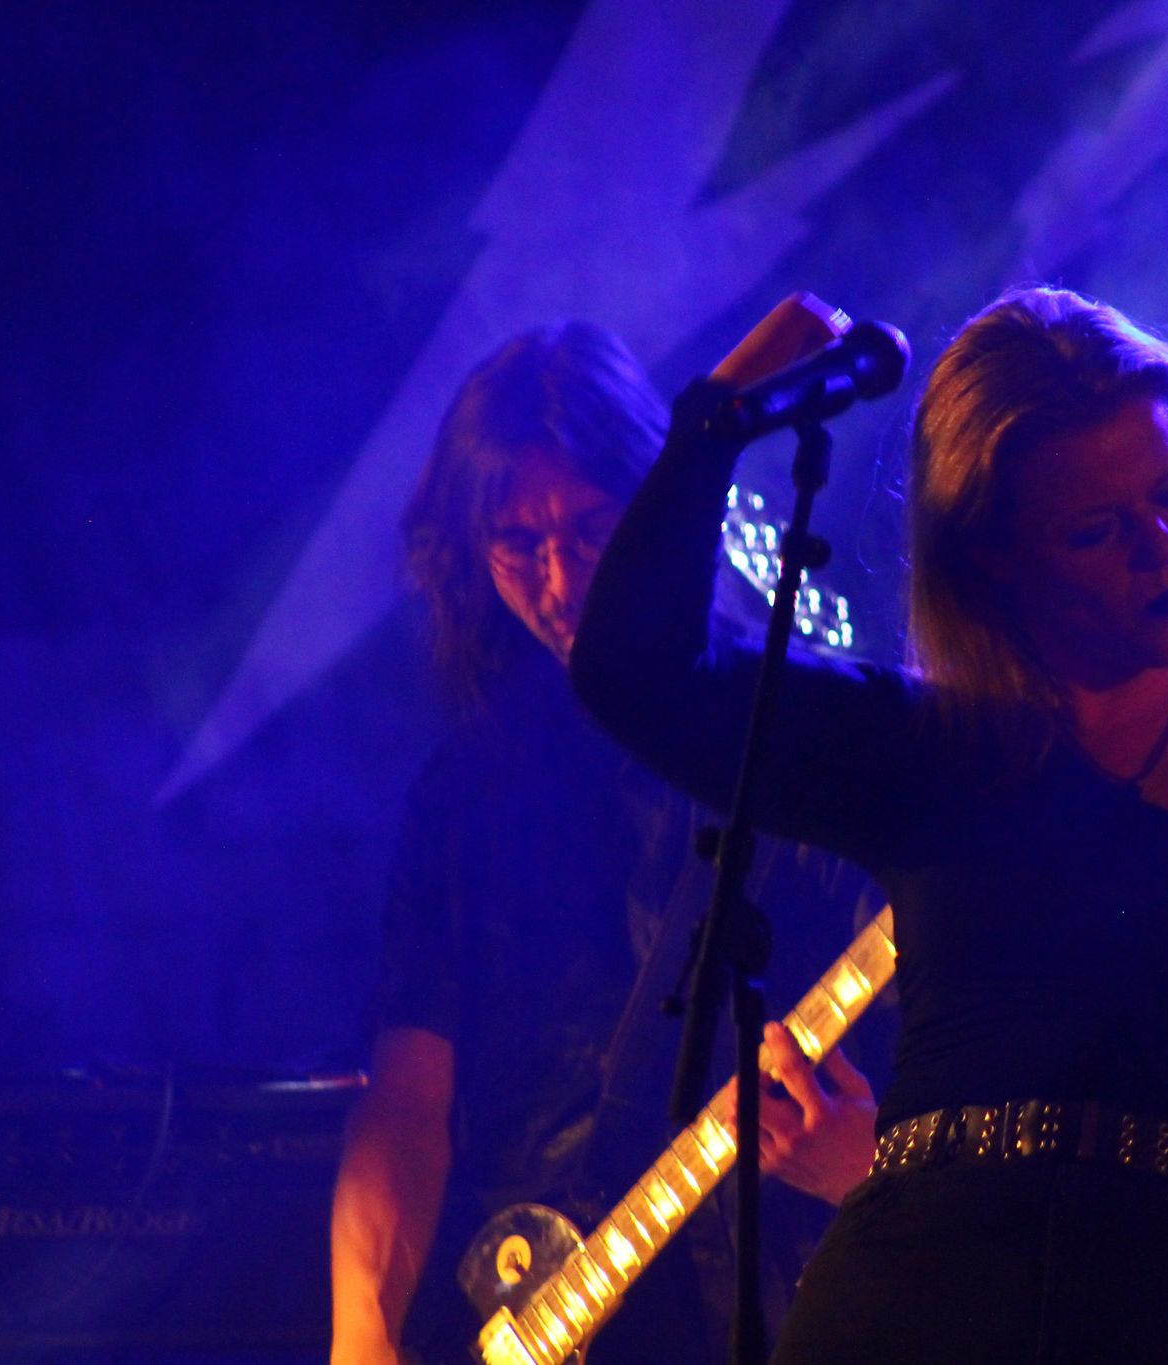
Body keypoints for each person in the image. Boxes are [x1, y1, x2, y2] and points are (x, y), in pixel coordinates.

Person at [570, 288, 1168, 1363]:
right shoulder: (935, 746)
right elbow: (637, 671)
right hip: (904, 1312)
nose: (1160, 545)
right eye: (1095, 529)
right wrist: (713, 422)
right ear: (992, 558)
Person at [328, 321, 880, 1365]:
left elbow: (960, 1035)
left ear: (660, 504)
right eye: (516, 545)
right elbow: (407, 1095)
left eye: (591, 531)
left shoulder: (799, 728)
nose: (560, 582)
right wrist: (362, 1331)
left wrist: (872, 1162)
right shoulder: (466, 789)